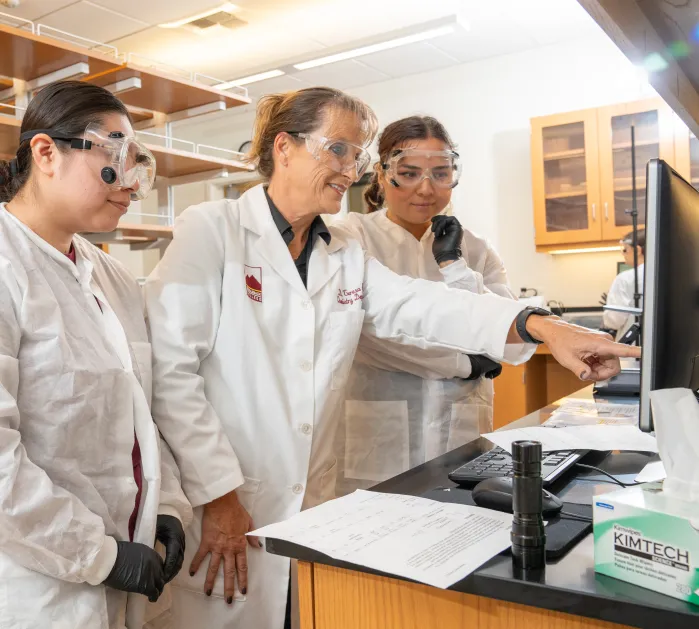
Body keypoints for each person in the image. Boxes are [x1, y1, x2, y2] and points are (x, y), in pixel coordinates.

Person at [143, 87, 640, 629]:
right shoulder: (212, 228)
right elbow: (171, 372)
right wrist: (218, 496)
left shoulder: (340, 252)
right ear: (284, 147)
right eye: (338, 150)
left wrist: (542, 326)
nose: (350, 170)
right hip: (227, 496)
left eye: (355, 155)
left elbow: (424, 305)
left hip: (310, 499)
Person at [0, 80, 192, 629]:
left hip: (128, 571)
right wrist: (99, 555)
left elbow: (140, 413)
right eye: (113, 156)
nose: (131, 185)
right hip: (40, 587)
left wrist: (169, 507)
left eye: (137, 163)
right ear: (45, 153)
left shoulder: (110, 276)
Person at [331, 116, 515, 495]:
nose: (426, 189)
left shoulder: (476, 248)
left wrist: (456, 267)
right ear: (382, 175)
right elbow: (368, 338)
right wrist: (464, 363)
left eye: (440, 174)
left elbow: (508, 339)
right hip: (378, 436)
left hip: (462, 431)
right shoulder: (351, 237)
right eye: (409, 173)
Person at [602, 229, 645, 338]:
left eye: (625, 250)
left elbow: (613, 320)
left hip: (632, 349)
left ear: (638, 250)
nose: (623, 254)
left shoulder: (625, 279)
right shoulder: (668, 275)